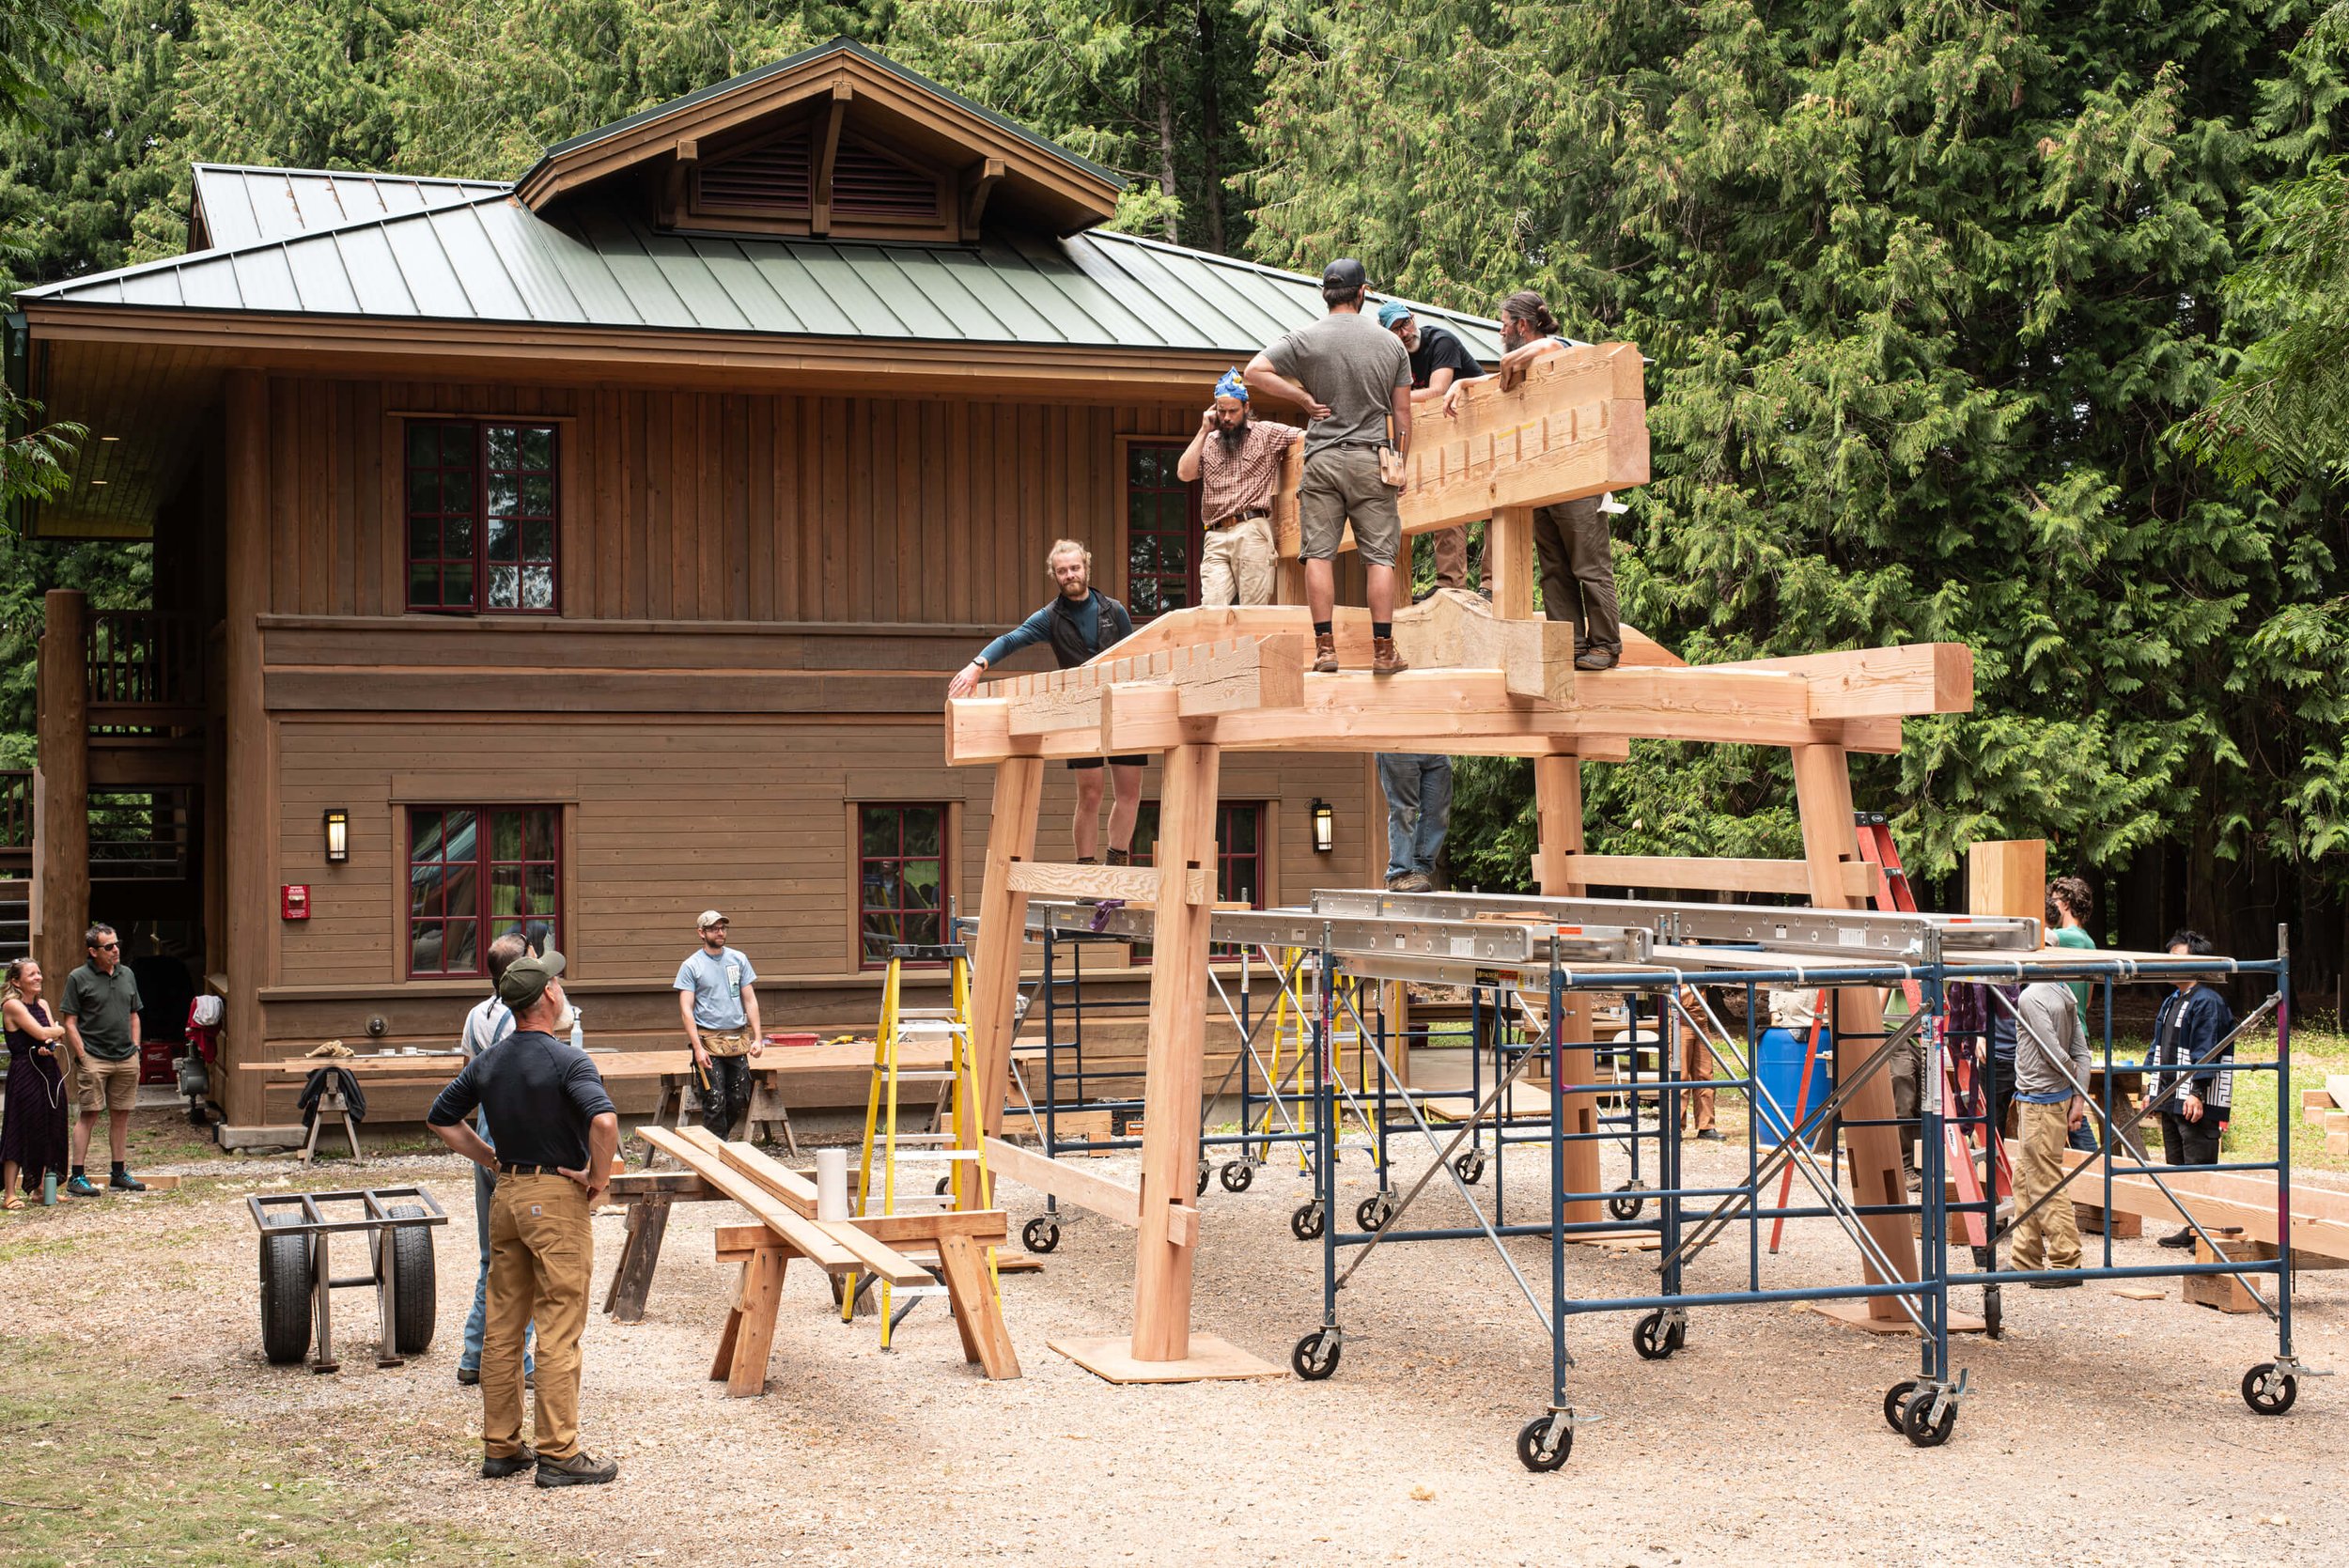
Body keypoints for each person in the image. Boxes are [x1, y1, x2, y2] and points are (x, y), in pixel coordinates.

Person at [428, 947, 620, 1487]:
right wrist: (597, 1179)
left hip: (506, 1194)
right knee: (559, 1325)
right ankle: (559, 1452)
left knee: (504, 1327)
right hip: (555, 1196)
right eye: (557, 983)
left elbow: (441, 1117)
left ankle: (501, 1447)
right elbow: (603, 1124)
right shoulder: (568, 1060)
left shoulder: (489, 1061)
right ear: (549, 996)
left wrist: (490, 1158)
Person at [1245, 257, 1413, 676]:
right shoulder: (1390, 343)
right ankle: (1383, 651)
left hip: (1321, 459)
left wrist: (1302, 400)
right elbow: (1403, 413)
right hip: (1372, 459)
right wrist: (1401, 461)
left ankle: (1325, 650)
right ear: (1362, 293)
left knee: (1318, 555)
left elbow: (1254, 371)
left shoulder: (1306, 338)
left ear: (1326, 294)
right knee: (1380, 558)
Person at [1445, 291, 1621, 670]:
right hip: (1540, 481)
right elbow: (1500, 383)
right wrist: (1464, 385)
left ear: (1521, 326)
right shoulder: (1522, 363)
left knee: (1589, 567)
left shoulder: (1558, 349)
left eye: (1503, 325)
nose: (1500, 332)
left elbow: (1550, 348)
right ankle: (1571, 645)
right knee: (1555, 569)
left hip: (1578, 478)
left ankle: (1605, 645)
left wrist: (1509, 360)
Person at [948, 540, 1144, 864]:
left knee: (1130, 793)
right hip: (1081, 712)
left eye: (1075, 568)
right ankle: (1086, 872)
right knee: (1090, 795)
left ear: (1086, 567)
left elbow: (1136, 654)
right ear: (1055, 575)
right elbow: (1011, 640)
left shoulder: (1115, 610)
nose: (1070, 575)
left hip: (1124, 708)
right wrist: (977, 665)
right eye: (1062, 571)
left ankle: (1116, 863)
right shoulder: (1050, 617)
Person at [456, 932, 536, 1389]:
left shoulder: (476, 1014)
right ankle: (517, 1360)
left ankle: (473, 1356)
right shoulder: (516, 1017)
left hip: (484, 1121)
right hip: (510, 1128)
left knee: (492, 1257)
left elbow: (467, 1073)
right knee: (518, 1256)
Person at [1377, 302, 1488, 594]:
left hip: (1479, 427)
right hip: (1442, 437)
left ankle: (1492, 586)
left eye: (1406, 324)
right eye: (1396, 329)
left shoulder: (1441, 341)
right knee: (1445, 507)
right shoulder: (1392, 359)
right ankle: (1449, 585)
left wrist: (1396, 401)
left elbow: (1439, 390)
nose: (1404, 332)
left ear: (1413, 319)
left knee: (1494, 507)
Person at [1175, 368, 1301, 608]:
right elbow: (1184, 473)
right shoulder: (1209, 441)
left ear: (1246, 407)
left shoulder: (1267, 433)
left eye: (1233, 411)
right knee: (1211, 609)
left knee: (1253, 610)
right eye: (1221, 411)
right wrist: (1203, 430)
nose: (1227, 418)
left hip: (1251, 529)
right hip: (1215, 534)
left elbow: (1304, 437)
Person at [2148, 929, 2234, 1249]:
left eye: (2176, 958)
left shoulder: (2207, 1002)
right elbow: (2157, 1045)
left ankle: (2205, 1230)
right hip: (2171, 1094)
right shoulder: (2172, 1000)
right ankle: (2189, 1226)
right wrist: (2152, 1085)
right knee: (2178, 1165)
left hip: (2196, 1097)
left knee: (2198, 1162)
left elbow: (2207, 1049)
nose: (2168, 965)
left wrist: (2198, 1091)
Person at [2007, 977, 2091, 1285]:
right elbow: (2082, 1053)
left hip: (2041, 1100)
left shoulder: (2031, 997)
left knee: (2044, 1181)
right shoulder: (2064, 991)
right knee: (2025, 1179)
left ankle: (2067, 1260)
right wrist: (2078, 1097)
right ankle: (2024, 1258)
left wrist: (2072, 1084)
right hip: (2042, 1100)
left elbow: (2053, 1053)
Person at [60, 923, 144, 1195]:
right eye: (109, 947)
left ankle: (119, 1172)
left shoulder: (127, 974)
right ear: (93, 951)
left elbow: (134, 1014)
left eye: (116, 944)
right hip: (94, 1057)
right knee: (90, 1114)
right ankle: (77, 1177)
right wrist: (83, 1055)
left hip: (126, 1057)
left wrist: (136, 1047)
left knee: (121, 1115)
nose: (115, 949)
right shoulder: (78, 978)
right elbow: (69, 1022)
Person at [676, 911, 764, 1138]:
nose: (720, 932)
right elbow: (686, 1009)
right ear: (701, 933)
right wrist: (697, 1047)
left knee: (739, 1096)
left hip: (737, 1038)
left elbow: (750, 999)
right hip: (708, 1040)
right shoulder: (691, 965)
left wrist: (758, 1037)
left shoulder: (738, 959)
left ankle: (719, 1142)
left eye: (723, 928)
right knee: (714, 1098)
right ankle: (716, 1150)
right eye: (714, 928)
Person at [1, 958, 70, 1207]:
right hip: (24, 1073)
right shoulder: (12, 1005)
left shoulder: (42, 1004)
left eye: (39, 972)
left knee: (49, 1124)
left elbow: (50, 1040)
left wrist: (49, 1044)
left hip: (47, 1070)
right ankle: (9, 1193)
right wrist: (54, 1032)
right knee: (19, 1127)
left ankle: (40, 1188)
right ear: (16, 982)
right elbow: (45, 1032)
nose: (38, 977)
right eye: (31, 974)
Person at [2046, 876, 2101, 1151]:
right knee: (2070, 1108)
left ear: (2065, 903)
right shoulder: (2088, 942)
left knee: (2070, 1113)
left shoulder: (2063, 938)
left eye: (2053, 901)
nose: (2050, 906)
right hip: (2077, 1028)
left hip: (2064, 1034)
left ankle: (2096, 1171)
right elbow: (2088, 999)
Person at [1376, 753, 1452, 893]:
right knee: (1404, 809)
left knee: (1438, 810)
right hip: (1399, 744)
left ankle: (1419, 869)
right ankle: (1399, 874)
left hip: (1434, 745)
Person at [1673, 986, 1720, 1141]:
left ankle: (1706, 1126)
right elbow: (1671, 997)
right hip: (1679, 1021)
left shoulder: (1699, 967)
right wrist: (1696, 986)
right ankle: (1674, 1127)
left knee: (1705, 1074)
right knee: (1680, 1076)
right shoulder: (1675, 967)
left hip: (1701, 1021)